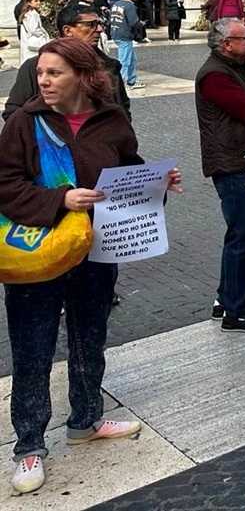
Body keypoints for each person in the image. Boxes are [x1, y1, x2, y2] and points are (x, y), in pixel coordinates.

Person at [0, 38, 181, 494]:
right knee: (33, 349)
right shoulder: (25, 122)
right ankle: (28, 446)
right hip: (37, 254)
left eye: (54, 73)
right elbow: (4, 184)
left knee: (89, 338)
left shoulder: (113, 119)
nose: (43, 80)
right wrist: (59, 198)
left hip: (96, 248)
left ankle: (85, 420)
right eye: (41, 72)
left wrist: (159, 184)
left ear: (83, 75)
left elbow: (127, 173)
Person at [195, 18, 245, 331]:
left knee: (244, 234)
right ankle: (237, 312)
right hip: (232, 165)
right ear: (226, 44)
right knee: (242, 237)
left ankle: (229, 297)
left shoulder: (242, 67)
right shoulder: (215, 75)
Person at [5, 3, 130, 122]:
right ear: (68, 30)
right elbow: (13, 112)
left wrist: (118, 133)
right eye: (91, 24)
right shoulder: (35, 66)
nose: (100, 29)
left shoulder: (109, 66)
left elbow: (122, 107)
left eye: (99, 23)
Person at [108, 0, 144, 90]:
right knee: (124, 60)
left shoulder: (116, 4)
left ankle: (131, 80)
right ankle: (121, 83)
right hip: (124, 35)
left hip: (116, 32)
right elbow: (134, 21)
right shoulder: (129, 5)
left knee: (132, 59)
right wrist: (140, 26)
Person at [17, 0, 48, 65]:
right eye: (36, 1)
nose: (39, 2)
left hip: (28, 40)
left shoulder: (28, 13)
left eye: (39, 1)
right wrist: (43, 33)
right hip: (33, 40)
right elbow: (33, 29)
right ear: (29, 3)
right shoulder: (31, 14)